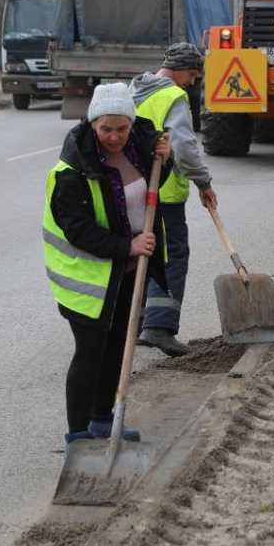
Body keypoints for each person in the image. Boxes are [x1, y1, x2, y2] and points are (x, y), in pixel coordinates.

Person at [43, 82, 172, 447]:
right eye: (106, 129)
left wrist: (167, 155)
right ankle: (79, 436)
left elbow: (153, 183)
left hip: (127, 270)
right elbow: (77, 229)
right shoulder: (72, 169)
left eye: (122, 128)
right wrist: (127, 245)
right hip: (86, 277)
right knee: (90, 353)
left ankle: (102, 420)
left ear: (131, 124)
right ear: (92, 124)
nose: (114, 137)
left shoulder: (140, 147)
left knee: (118, 345)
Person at [130, 42, 216, 357]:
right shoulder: (173, 97)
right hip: (162, 193)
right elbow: (183, 146)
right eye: (192, 75)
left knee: (140, 255)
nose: (192, 83)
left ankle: (137, 323)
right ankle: (159, 327)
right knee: (170, 256)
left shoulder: (134, 92)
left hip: (131, 192)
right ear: (179, 70)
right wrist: (203, 182)